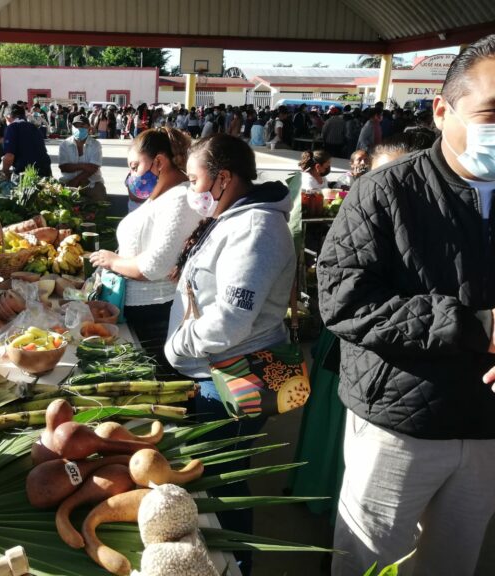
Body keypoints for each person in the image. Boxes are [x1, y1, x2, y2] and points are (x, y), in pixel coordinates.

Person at [318, 34, 495, 576]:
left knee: (453, 562)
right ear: (442, 111)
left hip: (486, 429)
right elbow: (344, 300)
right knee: (368, 561)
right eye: (492, 113)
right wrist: (477, 326)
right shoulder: (384, 191)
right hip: (400, 423)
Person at [165, 134, 295, 574]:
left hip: (233, 377)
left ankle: (237, 564)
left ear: (223, 178)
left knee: (224, 482)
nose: (191, 188)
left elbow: (231, 320)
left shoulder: (257, 228)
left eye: (194, 179)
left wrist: (177, 345)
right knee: (217, 475)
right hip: (212, 371)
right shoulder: (233, 216)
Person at [89, 128, 200, 369]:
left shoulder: (180, 198)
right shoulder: (161, 196)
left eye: (134, 166)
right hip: (138, 309)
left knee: (153, 374)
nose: (131, 176)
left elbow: (154, 266)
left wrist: (113, 261)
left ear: (158, 162)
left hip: (154, 314)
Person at [58, 115, 106, 202]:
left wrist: (76, 180)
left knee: (99, 199)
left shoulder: (95, 145)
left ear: (89, 128)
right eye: (76, 126)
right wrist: (84, 166)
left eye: (83, 126)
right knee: (56, 199)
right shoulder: (64, 145)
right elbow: (64, 167)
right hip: (68, 181)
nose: (79, 128)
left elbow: (93, 168)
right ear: (72, 128)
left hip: (91, 182)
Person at [1, 104, 52, 182]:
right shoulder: (33, 127)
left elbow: (9, 156)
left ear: (8, 117)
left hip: (26, 175)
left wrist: (5, 172)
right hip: (45, 171)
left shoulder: (12, 127)